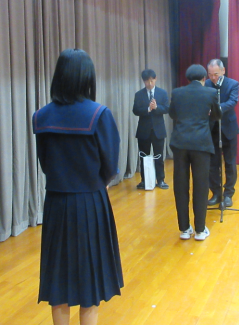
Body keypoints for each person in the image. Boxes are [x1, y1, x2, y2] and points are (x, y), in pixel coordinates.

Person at [33, 48, 123, 325]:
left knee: (58, 283)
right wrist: (97, 182)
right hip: (90, 202)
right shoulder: (99, 114)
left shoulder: (41, 116)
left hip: (56, 204)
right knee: (89, 286)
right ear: (88, 78)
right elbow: (110, 164)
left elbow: (44, 163)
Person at [168, 64, 221, 241]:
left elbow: (172, 114)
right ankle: (199, 230)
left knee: (180, 186)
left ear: (188, 78)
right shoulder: (210, 93)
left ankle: (184, 229)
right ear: (204, 78)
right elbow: (217, 115)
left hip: (180, 144)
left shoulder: (177, 92)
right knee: (201, 186)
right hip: (201, 144)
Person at [205, 59, 239, 208]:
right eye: (210, 74)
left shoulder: (233, 84)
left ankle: (228, 194)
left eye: (216, 74)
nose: (213, 78)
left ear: (223, 71)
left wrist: (216, 109)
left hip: (228, 129)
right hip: (212, 129)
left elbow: (232, 101)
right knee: (212, 164)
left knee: (230, 163)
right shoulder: (206, 84)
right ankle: (216, 193)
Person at [132, 69, 170, 189]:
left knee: (159, 156)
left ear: (155, 79)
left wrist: (156, 107)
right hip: (144, 131)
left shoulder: (162, 93)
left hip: (158, 130)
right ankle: (145, 180)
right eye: (147, 81)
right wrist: (148, 109)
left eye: (152, 80)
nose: (149, 83)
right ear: (143, 81)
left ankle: (161, 180)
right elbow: (135, 110)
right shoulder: (139, 94)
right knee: (144, 156)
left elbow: (167, 108)